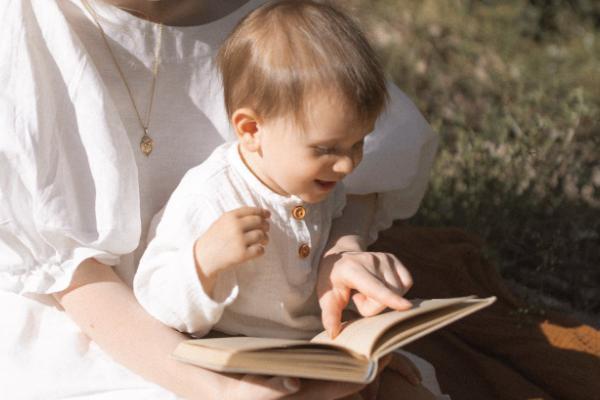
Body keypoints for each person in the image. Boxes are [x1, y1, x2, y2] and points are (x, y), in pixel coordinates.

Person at [0, 0, 441, 399]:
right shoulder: (23, 31)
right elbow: (62, 266)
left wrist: (342, 250)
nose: (346, 163)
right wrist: (214, 388)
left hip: (277, 327)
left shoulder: (283, 29)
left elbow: (359, 177)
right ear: (248, 129)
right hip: (100, 321)